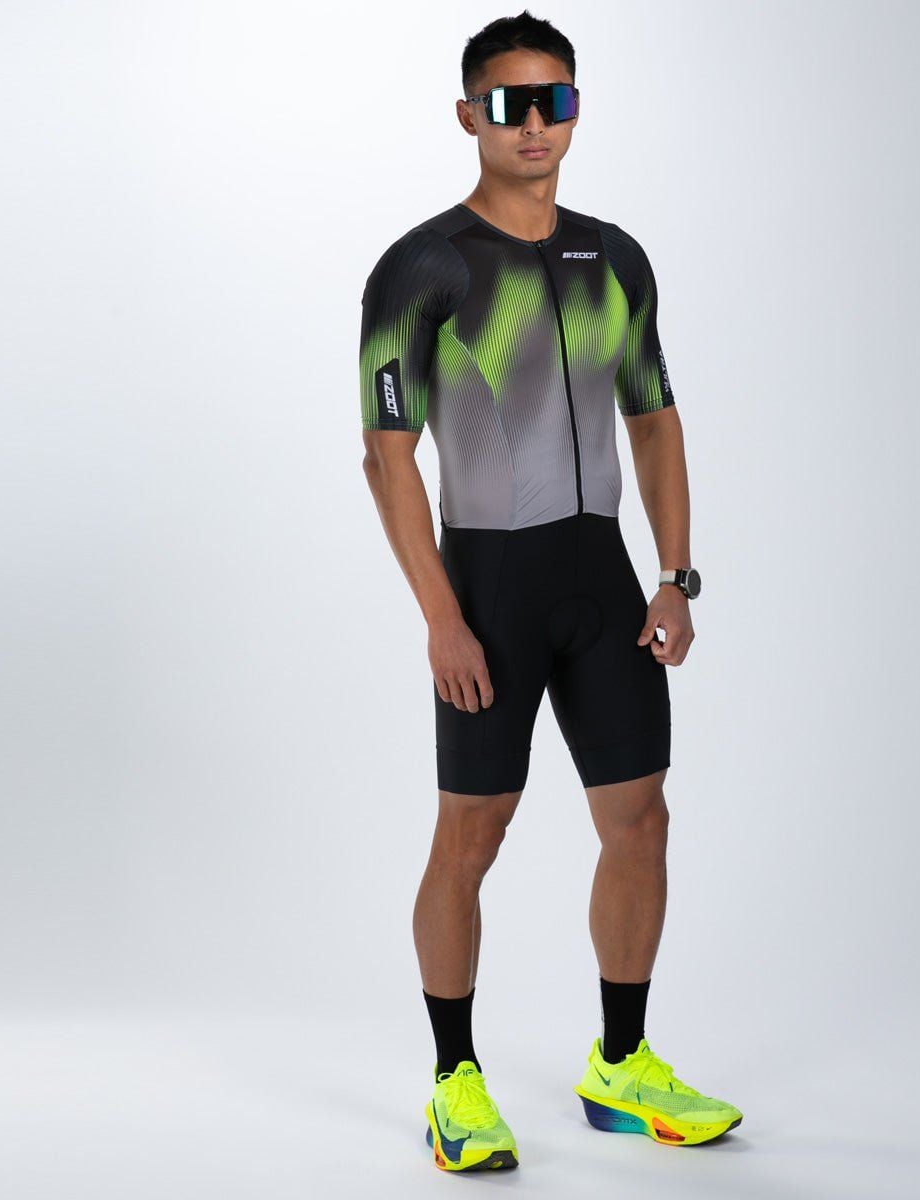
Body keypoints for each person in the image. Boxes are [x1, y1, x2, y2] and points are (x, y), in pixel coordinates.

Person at [357, 10, 742, 1172]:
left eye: (554, 100)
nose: (534, 123)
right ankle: (453, 1082)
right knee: (473, 831)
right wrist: (442, 617)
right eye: (510, 102)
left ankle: (621, 1065)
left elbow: (655, 419)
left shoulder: (615, 257)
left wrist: (674, 576)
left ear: (576, 111)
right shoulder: (424, 266)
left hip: (602, 578)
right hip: (488, 581)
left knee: (641, 816)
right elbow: (386, 456)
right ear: (468, 114)